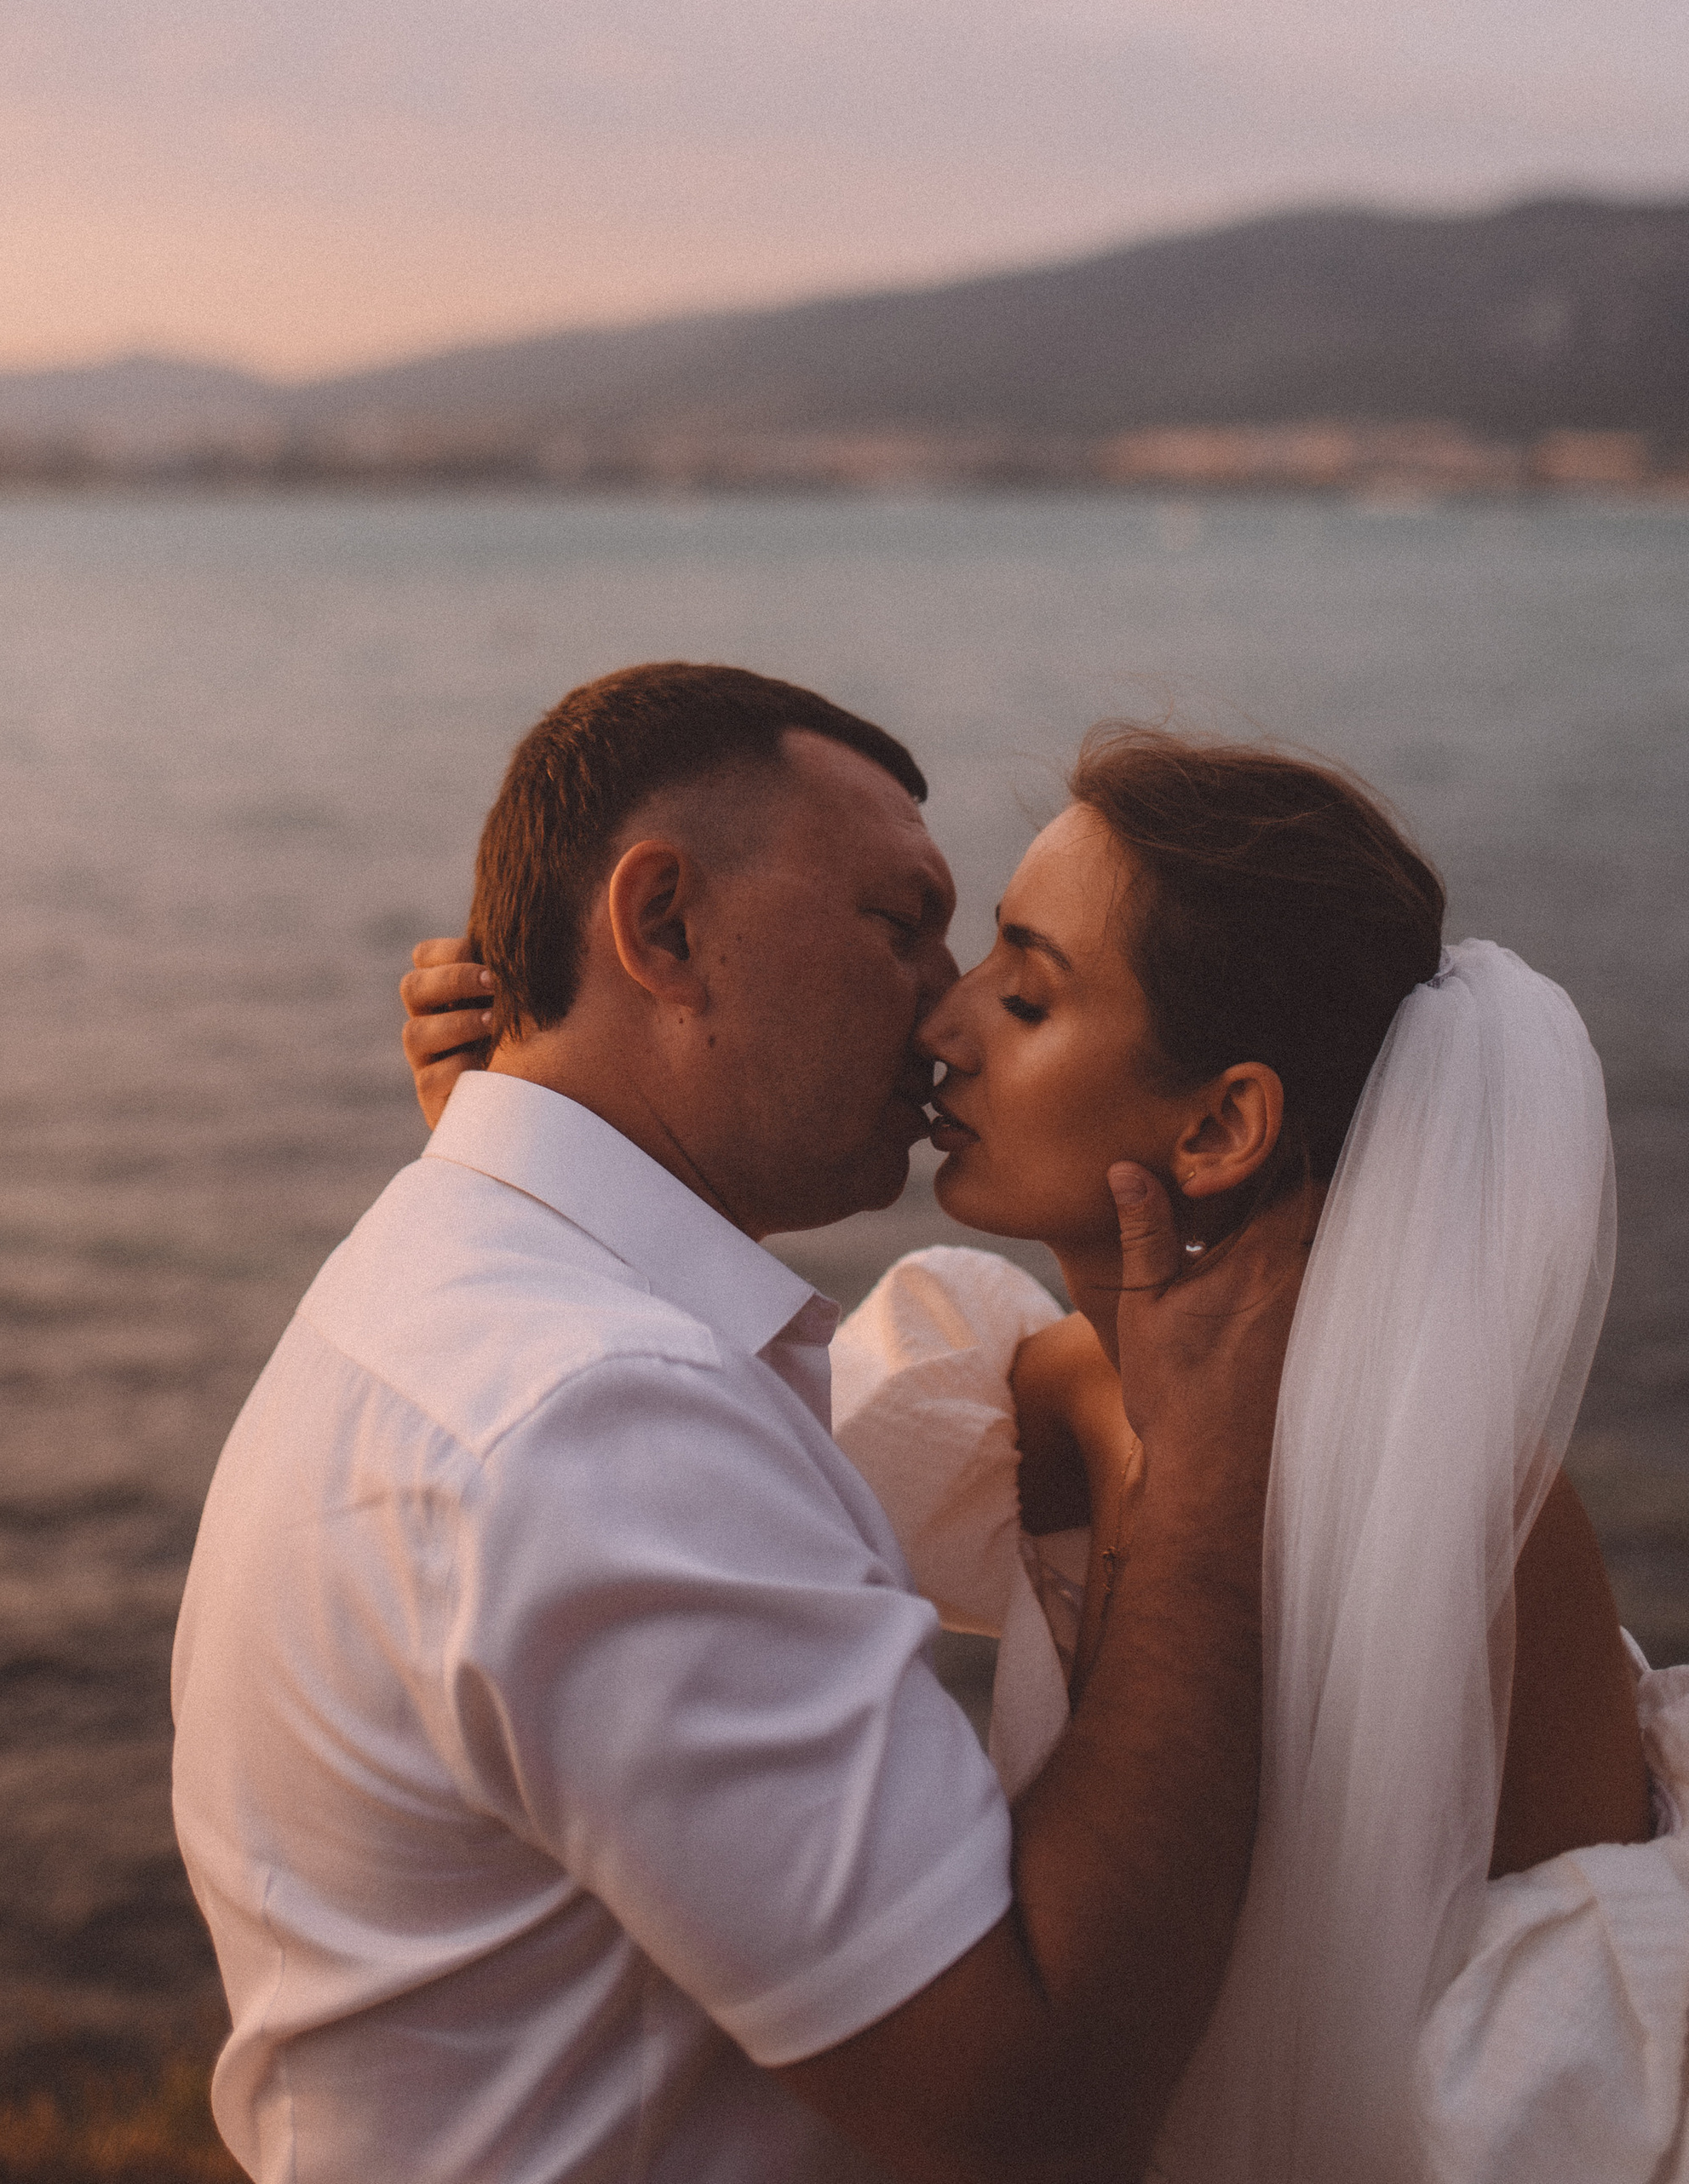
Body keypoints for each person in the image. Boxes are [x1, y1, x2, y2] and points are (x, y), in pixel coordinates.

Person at [407, 720, 1689, 2184]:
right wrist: (531, 1130)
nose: (940, 1024)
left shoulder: (1459, 1511)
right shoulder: (1029, 1403)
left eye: (1025, 995)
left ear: (1217, 1126)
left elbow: (1572, 2088)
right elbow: (700, 1484)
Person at [175, 664, 1305, 2184]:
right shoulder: (593, 1426)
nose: (948, 1008)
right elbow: (1031, 2100)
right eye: (901, 928)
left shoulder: (461, 1288)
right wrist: (1213, 1483)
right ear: (666, 930)